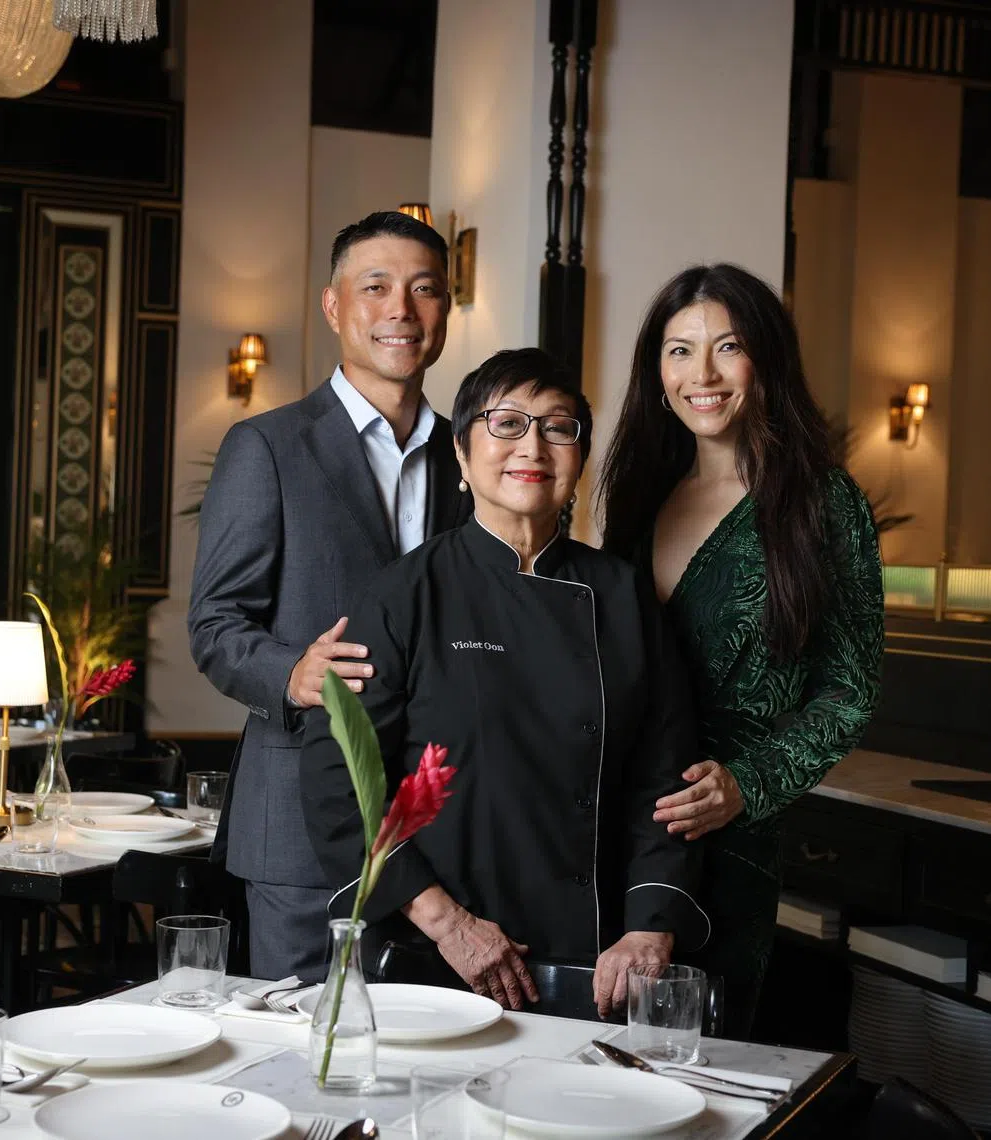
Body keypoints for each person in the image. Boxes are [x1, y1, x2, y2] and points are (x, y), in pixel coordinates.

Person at [301, 348, 709, 1017]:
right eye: (508, 424)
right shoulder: (406, 595)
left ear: (579, 457)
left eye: (558, 426)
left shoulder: (623, 596)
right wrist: (446, 923)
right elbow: (339, 780)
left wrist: (648, 926)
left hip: (598, 959)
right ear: (462, 456)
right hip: (435, 958)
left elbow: (667, 780)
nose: (535, 446)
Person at [598, 263, 884, 1037]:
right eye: (680, 350)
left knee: (698, 1066)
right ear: (656, 372)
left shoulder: (821, 502)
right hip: (616, 830)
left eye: (728, 347)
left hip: (731, 838)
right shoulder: (639, 491)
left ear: (766, 359)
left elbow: (850, 690)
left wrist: (747, 784)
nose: (704, 374)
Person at [188, 211, 473, 982]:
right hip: (298, 832)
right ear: (334, 306)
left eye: (425, 291)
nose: (400, 311)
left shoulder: (470, 457)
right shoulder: (269, 447)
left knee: (423, 1056)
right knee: (300, 1061)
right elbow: (214, 624)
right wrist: (290, 674)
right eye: (375, 287)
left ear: (446, 309)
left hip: (439, 823)